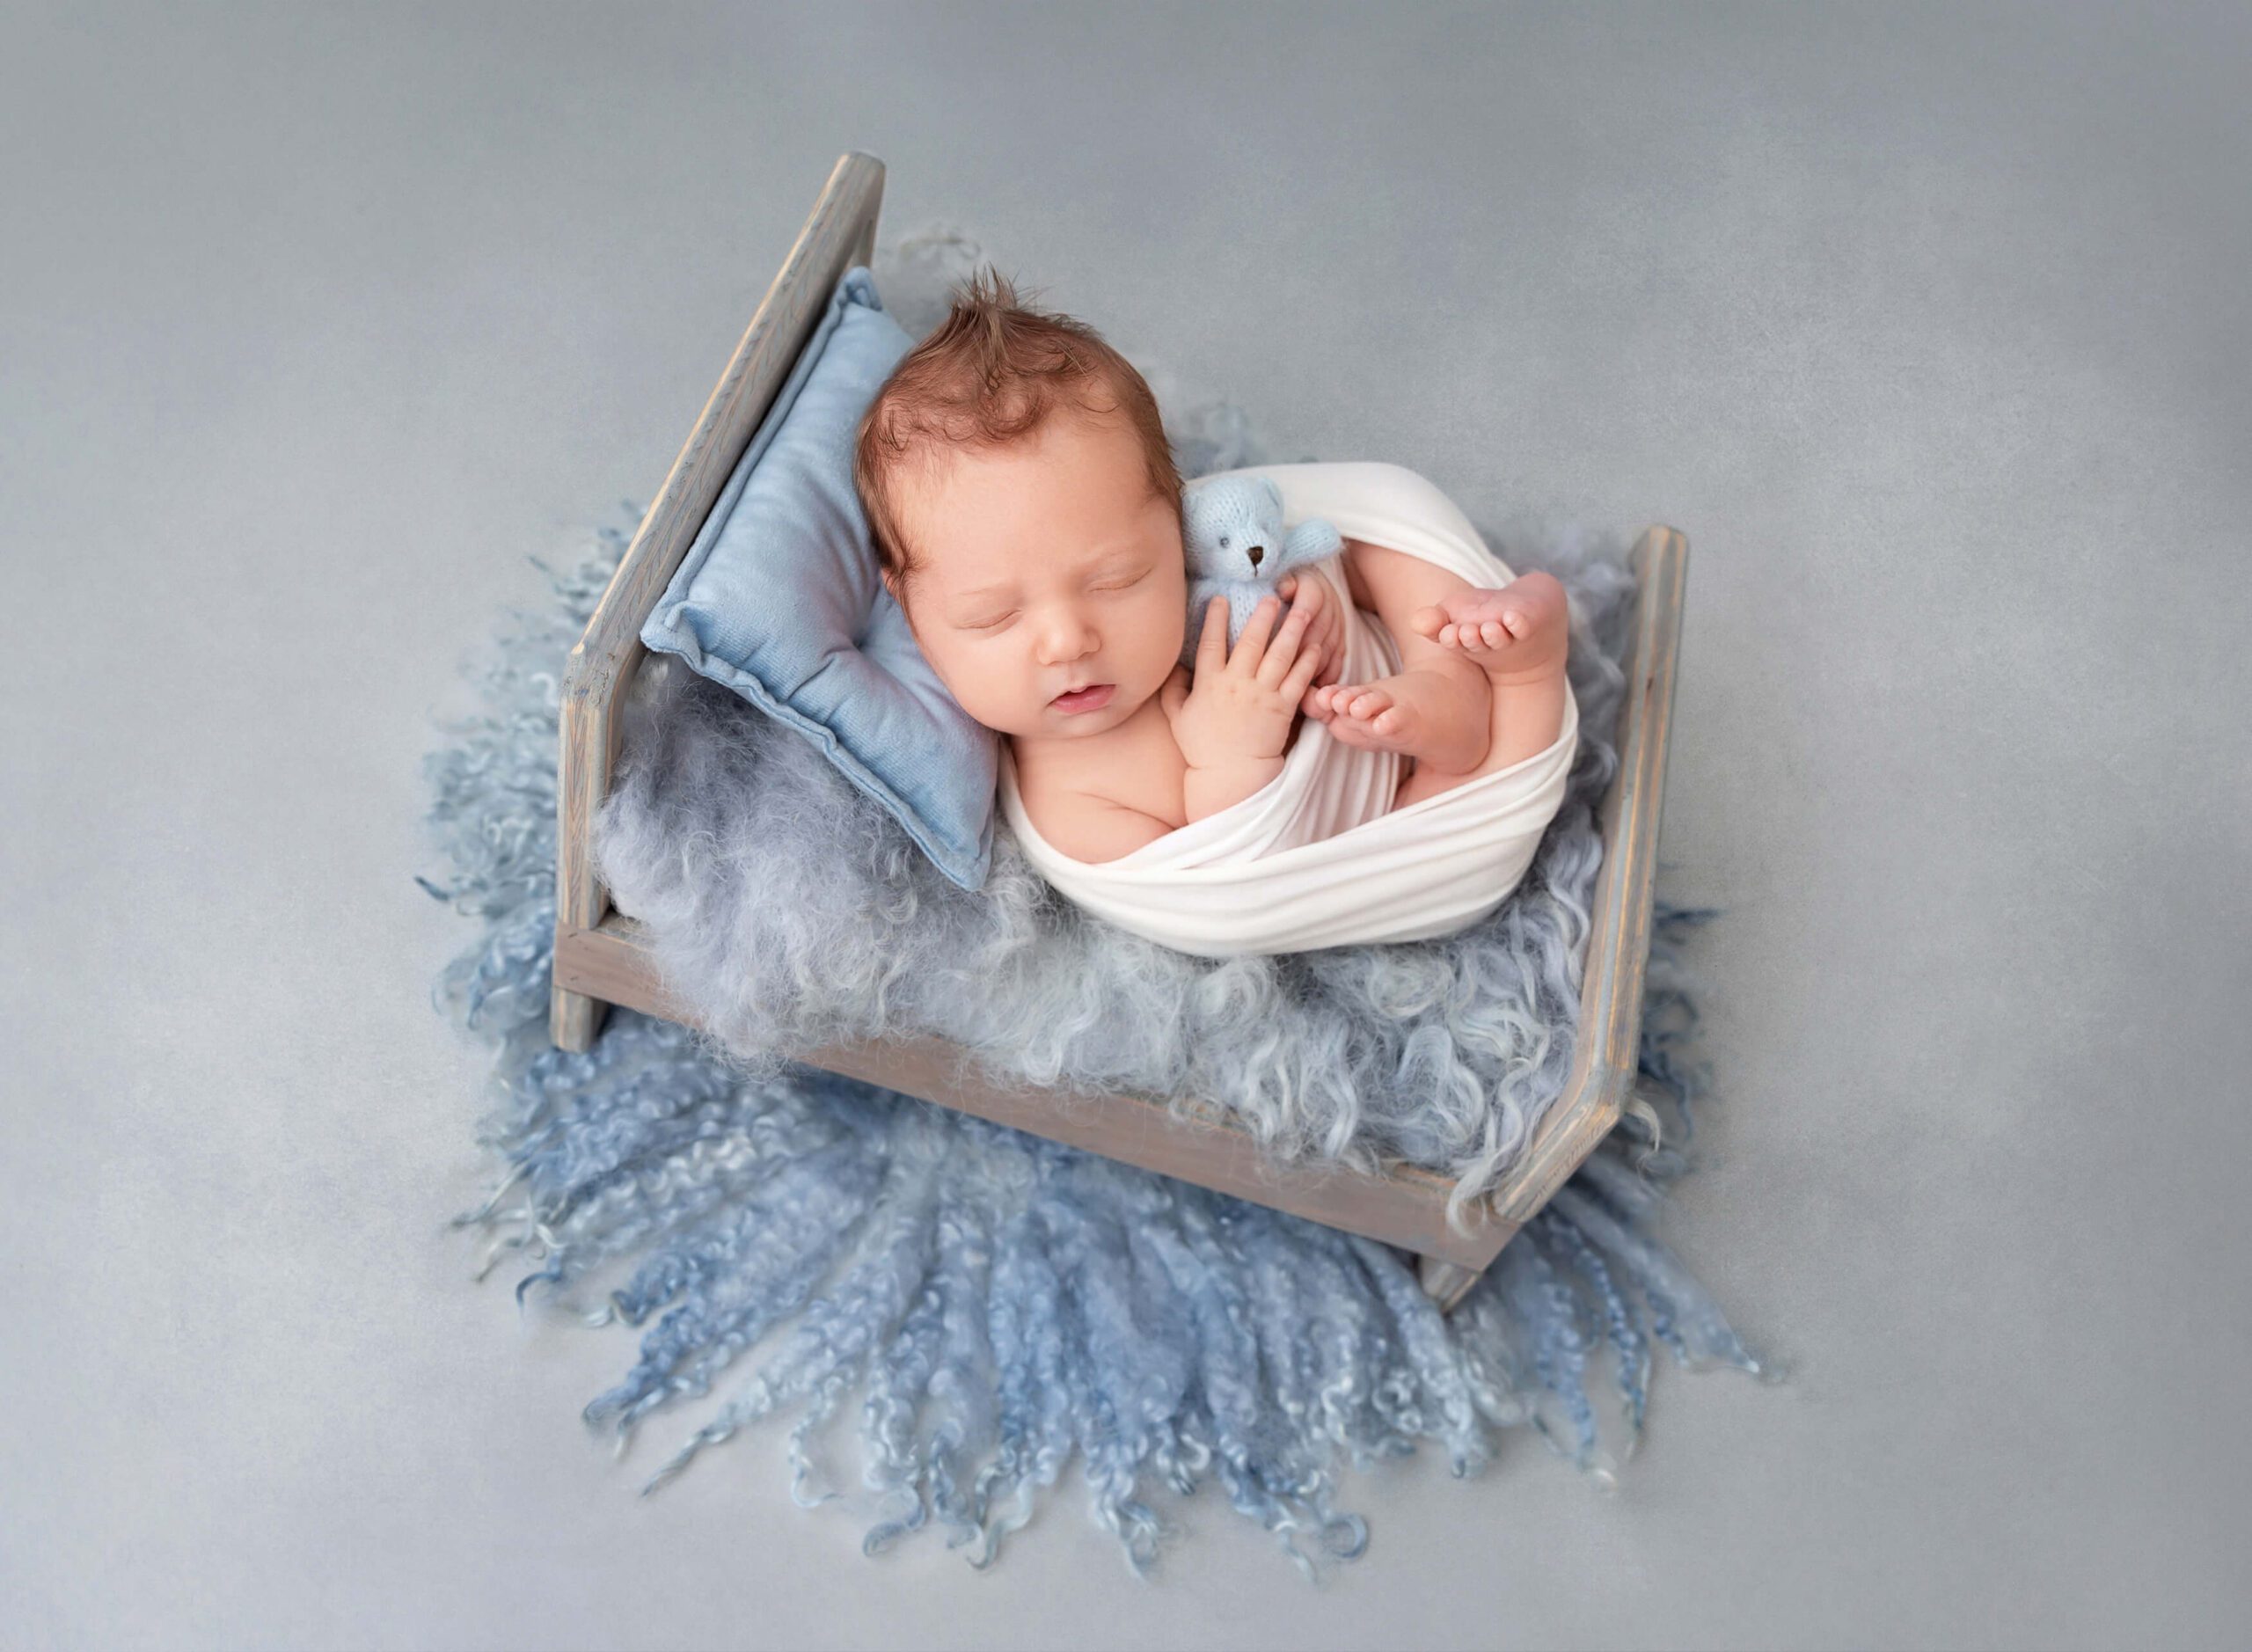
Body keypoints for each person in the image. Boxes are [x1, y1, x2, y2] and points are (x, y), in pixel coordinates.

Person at [852, 267, 1569, 866]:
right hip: (1387, 822)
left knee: (1375, 533)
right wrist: (1231, 761)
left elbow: (1276, 551)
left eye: (1117, 579)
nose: (1068, 641)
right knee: (1464, 828)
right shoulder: (1070, 805)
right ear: (910, 607)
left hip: (1385, 655)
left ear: (1174, 525)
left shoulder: (1197, 590)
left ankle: (1445, 675)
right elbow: (1235, 885)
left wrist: (1312, 593)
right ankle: (1523, 677)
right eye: (993, 615)